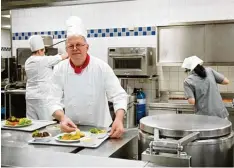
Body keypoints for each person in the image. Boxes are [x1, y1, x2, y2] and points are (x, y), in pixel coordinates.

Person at [49, 16, 128, 138]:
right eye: (71, 46)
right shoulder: (60, 69)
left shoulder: (101, 67)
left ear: (87, 47)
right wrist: (62, 118)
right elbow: (52, 100)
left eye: (79, 44)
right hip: (72, 130)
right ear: (66, 50)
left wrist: (118, 119)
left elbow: (119, 95)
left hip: (100, 130)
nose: (75, 49)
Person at [25, 35, 68, 120]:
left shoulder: (28, 61)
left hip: (30, 97)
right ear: (42, 50)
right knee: (46, 123)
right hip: (43, 97)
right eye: (44, 50)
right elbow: (64, 56)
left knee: (32, 123)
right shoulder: (44, 60)